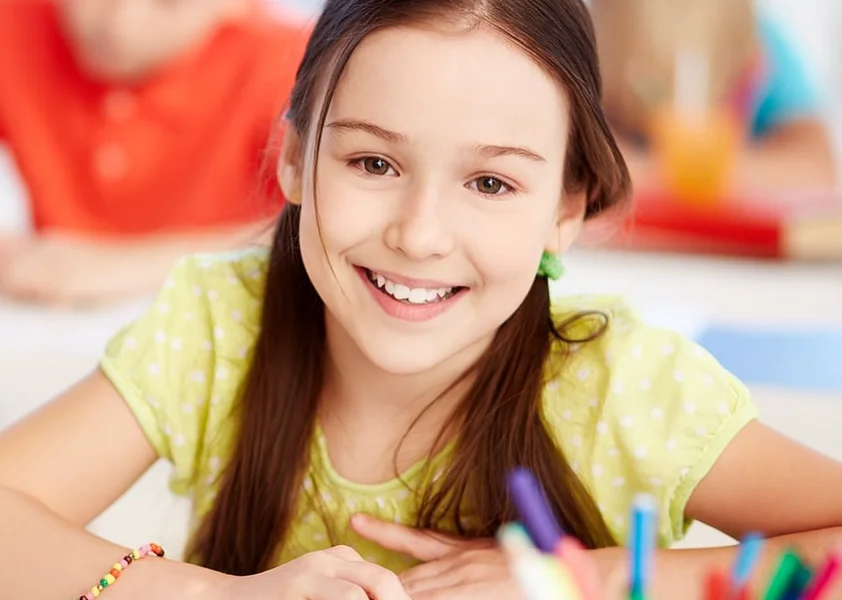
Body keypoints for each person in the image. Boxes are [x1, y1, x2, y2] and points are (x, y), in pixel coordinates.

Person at [1, 0, 841, 598]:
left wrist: (585, 579)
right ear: (294, 160)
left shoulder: (621, 386)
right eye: (374, 164)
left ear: (566, 211)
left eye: (490, 181)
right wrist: (214, 595)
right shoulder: (221, 327)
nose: (421, 233)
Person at [0, 0, 310, 305]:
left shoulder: (292, 63)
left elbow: (322, 231)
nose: (119, 23)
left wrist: (122, 267)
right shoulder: (13, 21)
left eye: (169, 3)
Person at [591, 0, 837, 195]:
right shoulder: (592, 38)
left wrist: (695, 174)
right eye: (651, 93)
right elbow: (584, 162)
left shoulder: (761, 44)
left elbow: (819, 167)